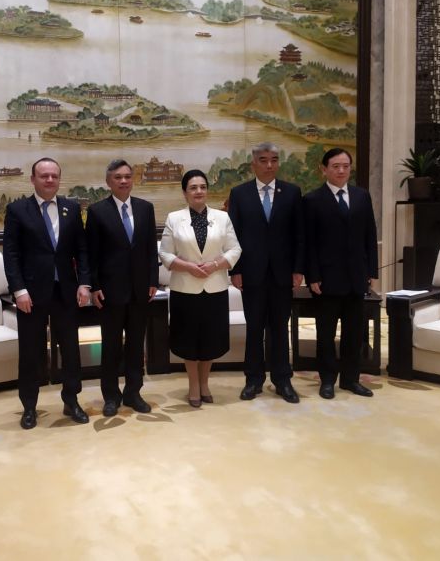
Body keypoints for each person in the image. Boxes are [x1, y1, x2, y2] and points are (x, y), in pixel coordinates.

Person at [2, 158, 91, 429]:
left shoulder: (71, 208)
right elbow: (11, 255)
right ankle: (29, 406)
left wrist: (84, 283)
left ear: (59, 179)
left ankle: (71, 400)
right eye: (44, 176)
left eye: (54, 176)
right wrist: (19, 290)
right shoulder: (18, 210)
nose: (49, 180)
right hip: (30, 294)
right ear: (33, 179)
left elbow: (82, 250)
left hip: (66, 292)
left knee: (71, 350)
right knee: (31, 352)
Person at [228, 143, 305, 404]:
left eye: (274, 159)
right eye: (263, 160)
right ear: (254, 164)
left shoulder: (292, 192)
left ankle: (283, 380)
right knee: (254, 329)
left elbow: (299, 235)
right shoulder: (240, 194)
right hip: (252, 274)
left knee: (280, 329)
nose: (269, 165)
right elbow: (233, 236)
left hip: (283, 274)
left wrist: (298, 269)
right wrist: (236, 270)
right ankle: (253, 380)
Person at [159, 170, 242, 407]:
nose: (199, 191)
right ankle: (193, 385)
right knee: (188, 340)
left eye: (203, 187)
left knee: (210, 340)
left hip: (215, 288)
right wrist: (187, 267)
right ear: (185, 192)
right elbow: (165, 253)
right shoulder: (174, 218)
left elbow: (235, 249)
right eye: (193, 187)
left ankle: (205, 384)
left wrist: (216, 264)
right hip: (185, 290)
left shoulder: (222, 218)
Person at [303, 148, 378, 399]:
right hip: (326, 279)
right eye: (335, 166)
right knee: (326, 333)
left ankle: (350, 379)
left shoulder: (361, 196)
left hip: (356, 276)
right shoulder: (312, 200)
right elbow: (309, 243)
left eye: (346, 166)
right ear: (324, 169)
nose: (341, 170)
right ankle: (327, 380)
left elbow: (370, 235)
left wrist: (371, 270)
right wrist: (312, 276)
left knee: (354, 333)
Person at [86, 159, 159, 416]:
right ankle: (111, 396)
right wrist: (94, 286)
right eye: (118, 177)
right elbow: (91, 254)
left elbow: (150, 249)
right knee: (111, 347)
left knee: (136, 346)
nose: (124, 181)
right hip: (110, 291)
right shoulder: (97, 211)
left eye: (128, 176)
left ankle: (133, 393)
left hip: (140, 290)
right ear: (109, 182)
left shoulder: (145, 208)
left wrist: (153, 280)